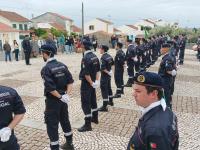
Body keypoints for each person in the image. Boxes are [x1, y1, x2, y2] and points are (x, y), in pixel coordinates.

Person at [127, 72, 179, 150]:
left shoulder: (155, 130)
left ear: (154, 94)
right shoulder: (166, 111)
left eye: (138, 91)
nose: (133, 94)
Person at [40, 44, 74, 150]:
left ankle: (54, 147)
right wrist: (66, 95)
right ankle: (69, 143)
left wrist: (60, 97)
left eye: (42, 53)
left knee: (52, 124)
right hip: (63, 99)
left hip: (53, 101)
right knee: (65, 120)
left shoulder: (46, 69)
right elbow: (70, 81)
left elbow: (50, 88)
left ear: (46, 54)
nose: (42, 55)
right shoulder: (62, 65)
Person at [78, 40, 100, 132]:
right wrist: (96, 82)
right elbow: (98, 70)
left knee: (85, 103)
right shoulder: (95, 56)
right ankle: (95, 118)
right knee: (93, 100)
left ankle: (87, 124)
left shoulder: (85, 58)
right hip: (93, 83)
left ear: (83, 46)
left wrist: (91, 83)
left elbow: (86, 74)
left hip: (87, 84)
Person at [0, 85, 26, 150]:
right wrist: (9, 128)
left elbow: (20, 112)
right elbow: (20, 112)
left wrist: (8, 129)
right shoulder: (10, 92)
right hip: (7, 139)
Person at [158, 43, 176, 109]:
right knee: (165, 94)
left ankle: (167, 109)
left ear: (165, 49)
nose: (160, 49)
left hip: (165, 79)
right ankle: (166, 107)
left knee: (165, 95)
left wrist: (173, 72)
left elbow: (168, 70)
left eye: (161, 48)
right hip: (165, 79)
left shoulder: (167, 58)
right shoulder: (167, 57)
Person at [98, 45, 114, 112]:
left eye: (100, 49)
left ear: (103, 50)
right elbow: (113, 64)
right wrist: (111, 71)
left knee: (104, 90)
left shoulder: (103, 57)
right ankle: (111, 101)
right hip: (108, 75)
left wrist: (108, 72)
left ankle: (104, 106)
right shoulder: (109, 56)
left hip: (104, 76)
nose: (99, 50)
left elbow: (103, 68)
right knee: (109, 88)